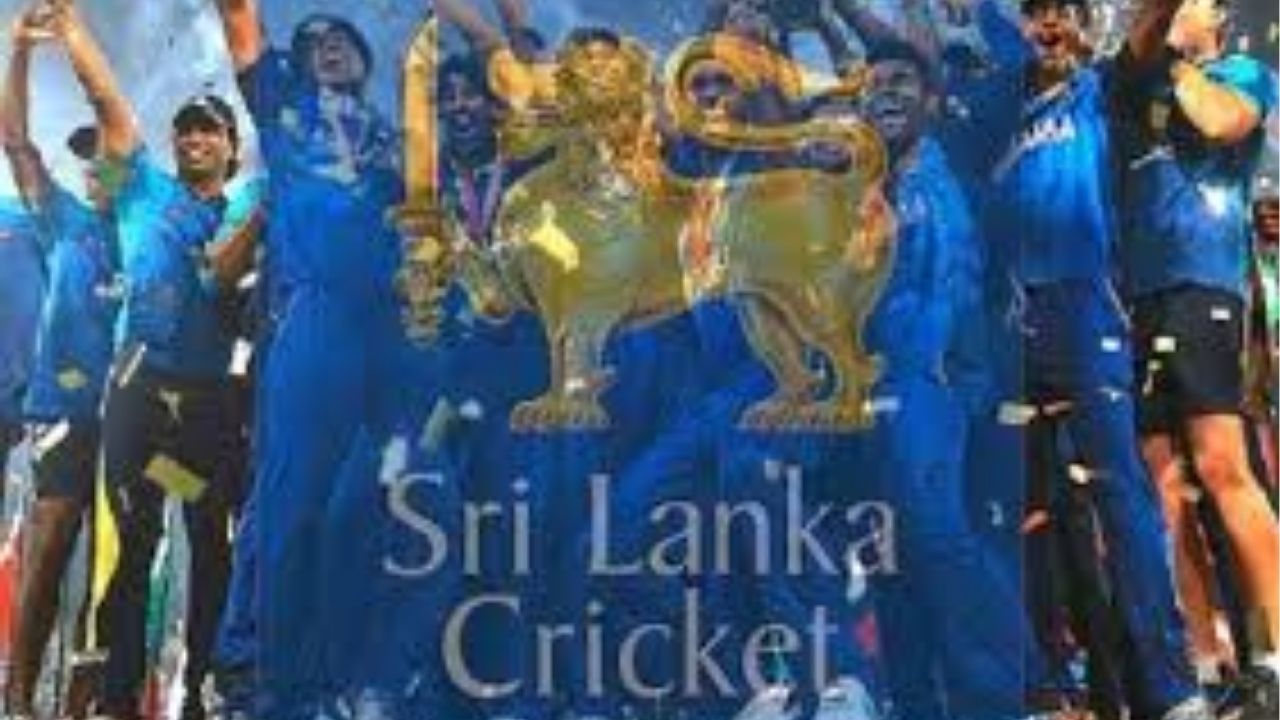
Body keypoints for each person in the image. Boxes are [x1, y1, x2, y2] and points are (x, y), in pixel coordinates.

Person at [974, 0, 1210, 716]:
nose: (1048, 26)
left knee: (1121, 495)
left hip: (1084, 311)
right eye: (1035, 14)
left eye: (1062, 12)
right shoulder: (993, 115)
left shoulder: (1101, 87)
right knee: (1016, 507)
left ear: (1083, 25)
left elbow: (1148, 29)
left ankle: (1170, 689)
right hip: (1008, 324)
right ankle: (1047, 682)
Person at [39, 3, 258, 717]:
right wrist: (71, 29)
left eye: (210, 129)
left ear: (232, 148)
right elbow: (106, 99)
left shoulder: (246, 210)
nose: (195, 137)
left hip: (208, 406)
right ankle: (118, 696)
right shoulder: (144, 191)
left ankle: (199, 696)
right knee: (133, 545)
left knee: (210, 546)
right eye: (186, 128)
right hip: (138, 394)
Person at [211, 1, 411, 716]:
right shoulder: (284, 108)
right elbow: (239, 17)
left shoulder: (394, 138)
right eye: (313, 42)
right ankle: (255, 672)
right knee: (290, 497)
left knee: (362, 504)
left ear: (365, 58)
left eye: (341, 38)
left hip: (384, 330)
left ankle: (329, 673)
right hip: (314, 319)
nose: (328, 47)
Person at [1116, 0, 1280, 683]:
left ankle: (1274, 653)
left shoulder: (1243, 72)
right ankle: (1208, 665)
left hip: (1203, 282)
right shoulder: (1134, 80)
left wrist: (1174, 62)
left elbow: (1220, 122)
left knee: (1222, 468)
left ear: (1216, 19)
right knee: (1165, 488)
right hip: (1136, 296)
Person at [0, 8, 119, 717]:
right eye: (87, 155)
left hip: (142, 417)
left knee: (119, 563)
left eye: (107, 151)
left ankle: (87, 701)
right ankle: (16, 695)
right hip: (66, 412)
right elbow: (15, 141)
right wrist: (18, 53)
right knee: (48, 545)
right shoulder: (65, 221)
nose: (95, 163)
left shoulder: (158, 226)